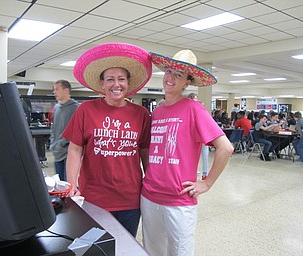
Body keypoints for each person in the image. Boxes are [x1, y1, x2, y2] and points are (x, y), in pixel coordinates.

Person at [141, 49, 234, 256]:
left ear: (187, 83)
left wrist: (206, 183)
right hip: (149, 196)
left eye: (179, 75)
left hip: (179, 200)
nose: (171, 77)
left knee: (180, 252)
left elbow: (226, 147)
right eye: (169, 71)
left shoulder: (194, 109)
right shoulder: (157, 112)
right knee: (152, 250)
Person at [62, 43, 152, 237]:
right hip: (94, 197)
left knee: (125, 245)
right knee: (96, 247)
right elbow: (75, 149)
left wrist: (151, 184)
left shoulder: (141, 113)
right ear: (102, 84)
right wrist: (71, 185)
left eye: (121, 79)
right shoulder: (86, 109)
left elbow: (145, 152)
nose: (116, 84)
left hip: (130, 198)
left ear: (128, 83)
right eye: (110, 79)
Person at [50, 80, 79, 181]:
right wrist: (52, 142)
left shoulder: (76, 108)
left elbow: (77, 131)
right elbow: (53, 127)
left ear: (66, 90)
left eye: (57, 89)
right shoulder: (56, 108)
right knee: (60, 182)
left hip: (69, 152)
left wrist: (61, 143)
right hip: (57, 151)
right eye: (54, 89)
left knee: (68, 183)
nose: (54, 92)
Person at [187, 93, 209, 180]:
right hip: (195, 139)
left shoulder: (201, 114)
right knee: (194, 158)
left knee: (204, 157)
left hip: (202, 139)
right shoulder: (190, 113)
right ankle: (195, 172)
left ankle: (204, 174)